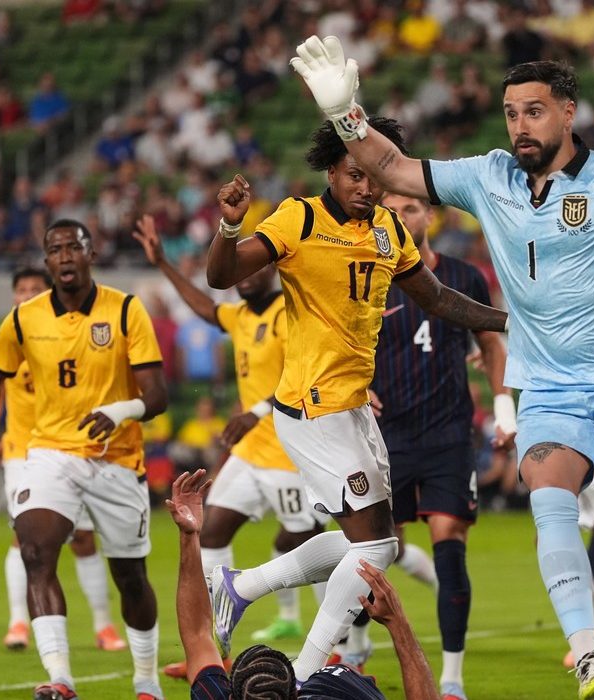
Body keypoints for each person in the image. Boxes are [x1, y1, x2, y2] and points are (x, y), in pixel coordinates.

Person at [288, 38, 594, 697]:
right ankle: (586, 654)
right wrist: (345, 115)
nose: (520, 125)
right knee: (551, 506)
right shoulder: (488, 177)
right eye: (510, 113)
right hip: (549, 386)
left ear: (568, 112)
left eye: (534, 111)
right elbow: (394, 166)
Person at [203, 116, 508, 684]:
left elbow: (438, 299)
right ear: (330, 172)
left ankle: (241, 586)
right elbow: (221, 276)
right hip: (312, 407)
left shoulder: (388, 228)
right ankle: (303, 673)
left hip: (353, 408)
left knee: (368, 542)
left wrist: (510, 321)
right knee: (377, 546)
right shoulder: (298, 218)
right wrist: (229, 226)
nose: (366, 188)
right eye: (353, 176)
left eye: (372, 176)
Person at [0, 220, 168, 700]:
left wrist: (120, 411)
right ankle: (60, 678)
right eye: (55, 249)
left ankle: (146, 678)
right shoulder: (24, 319)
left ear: (91, 254)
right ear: (47, 262)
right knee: (34, 551)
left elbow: (158, 396)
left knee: (131, 578)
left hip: (117, 459)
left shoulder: (126, 310)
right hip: (50, 453)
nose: (65, 255)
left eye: (74, 247)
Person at [130, 215, 330, 679]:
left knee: (313, 546)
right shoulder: (239, 317)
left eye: (254, 267)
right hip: (249, 453)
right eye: (239, 270)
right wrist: (162, 263)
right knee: (209, 533)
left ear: (273, 269)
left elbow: (302, 375)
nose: (245, 277)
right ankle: (215, 650)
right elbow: (204, 306)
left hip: (289, 455)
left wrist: (254, 411)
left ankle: (343, 649)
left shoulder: (290, 313)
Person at [334, 190, 514, 698]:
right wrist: (356, 386)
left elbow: (491, 344)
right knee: (371, 550)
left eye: (410, 208)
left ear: (429, 216)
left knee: (449, 543)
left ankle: (452, 680)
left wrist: (504, 410)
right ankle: (357, 644)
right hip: (383, 435)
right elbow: (341, 343)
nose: (401, 217)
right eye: (391, 210)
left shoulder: (464, 277)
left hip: (448, 433)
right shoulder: (366, 275)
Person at [166, 469, 437, 700]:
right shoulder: (335, 690)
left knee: (373, 545)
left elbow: (197, 634)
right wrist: (398, 624)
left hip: (270, 448)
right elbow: (197, 636)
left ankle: (244, 588)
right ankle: (305, 664)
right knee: (376, 545)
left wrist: (189, 536)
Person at [0, 267, 129, 653]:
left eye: (34, 288)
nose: (27, 294)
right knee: (24, 536)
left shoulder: (67, 331)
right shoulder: (5, 334)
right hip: (21, 450)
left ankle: (103, 625)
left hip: (70, 448)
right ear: (13, 296)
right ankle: (17, 623)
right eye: (21, 289)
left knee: (83, 539)